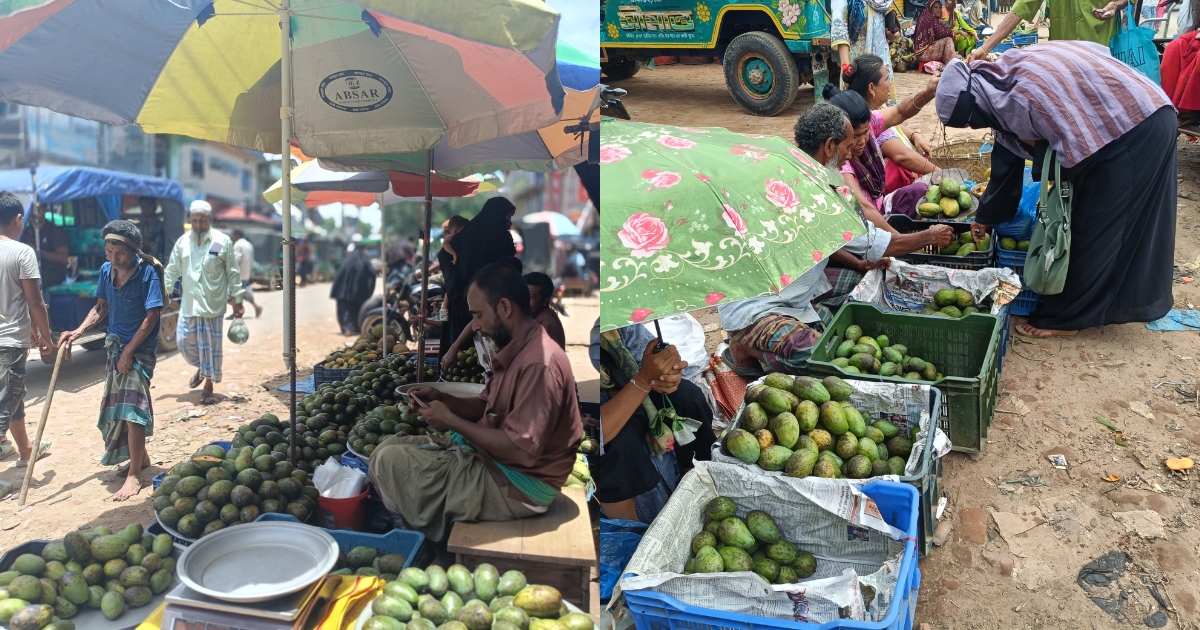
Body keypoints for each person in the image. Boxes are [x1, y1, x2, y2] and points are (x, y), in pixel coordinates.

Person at [935, 47, 1175, 337]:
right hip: (1139, 115)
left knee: (1092, 225)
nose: (975, 126)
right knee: (1102, 221)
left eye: (971, 120)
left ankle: (1068, 318)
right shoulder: (1000, 84)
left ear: (974, 103)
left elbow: (1071, 150)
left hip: (1134, 126)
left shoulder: (1024, 97)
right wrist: (986, 215)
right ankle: (1096, 304)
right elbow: (1006, 156)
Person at [722, 103, 954, 375]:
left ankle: (812, 317)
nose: (848, 155)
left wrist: (856, 264)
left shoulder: (789, 166)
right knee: (817, 358)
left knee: (862, 282)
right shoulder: (819, 193)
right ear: (830, 146)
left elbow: (824, 241)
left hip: (795, 288)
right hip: (755, 308)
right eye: (846, 147)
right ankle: (744, 348)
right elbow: (878, 244)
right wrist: (930, 236)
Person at [368, 263, 583, 542]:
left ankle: (422, 537)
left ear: (505, 308)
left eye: (478, 315)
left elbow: (522, 452)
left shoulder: (538, 363)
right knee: (385, 449)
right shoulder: (518, 348)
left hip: (519, 486)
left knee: (389, 461)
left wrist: (451, 421)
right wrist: (442, 398)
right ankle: (418, 524)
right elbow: (485, 405)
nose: (477, 326)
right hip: (499, 464)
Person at [60, 220, 163, 501]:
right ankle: (140, 458)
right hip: (115, 347)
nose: (114, 258)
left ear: (134, 250)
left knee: (132, 408)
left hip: (138, 351)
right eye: (109, 251)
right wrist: (78, 331)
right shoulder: (107, 271)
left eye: (120, 253)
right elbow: (101, 307)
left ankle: (134, 477)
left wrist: (129, 352)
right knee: (120, 406)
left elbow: (151, 316)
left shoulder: (148, 272)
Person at [594, 323, 716, 522]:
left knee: (687, 396)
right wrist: (642, 381)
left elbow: (646, 361)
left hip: (635, 397)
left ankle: (693, 482)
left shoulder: (612, 326)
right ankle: (636, 530)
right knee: (619, 447)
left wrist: (667, 372)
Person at [164, 200, 245, 405]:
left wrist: (237, 300)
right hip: (190, 303)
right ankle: (202, 367)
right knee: (184, 342)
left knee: (210, 346)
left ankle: (208, 386)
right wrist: (163, 292)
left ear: (210, 220)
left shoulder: (221, 241)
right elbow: (172, 269)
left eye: (202, 220)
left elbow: (233, 273)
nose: (198, 225)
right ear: (190, 220)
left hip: (213, 304)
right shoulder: (183, 242)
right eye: (194, 220)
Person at [825, 81, 938, 222]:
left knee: (920, 189)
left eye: (865, 133)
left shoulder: (870, 123)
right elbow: (863, 208)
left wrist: (928, 93)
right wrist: (899, 239)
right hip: (867, 221)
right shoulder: (842, 163)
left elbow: (900, 111)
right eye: (854, 136)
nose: (861, 141)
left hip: (881, 205)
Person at [0, 192, 52, 467]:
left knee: (12, 396)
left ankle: (26, 450)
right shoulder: (22, 252)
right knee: (5, 403)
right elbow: (34, 300)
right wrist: (45, 334)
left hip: (10, 338)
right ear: (18, 219)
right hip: (9, 341)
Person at [842, 55, 941, 194]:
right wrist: (943, 174)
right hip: (882, 189)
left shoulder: (875, 109)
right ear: (871, 88)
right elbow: (903, 156)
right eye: (887, 79)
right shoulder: (866, 120)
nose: (890, 84)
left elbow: (898, 116)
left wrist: (914, 135)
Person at [439, 199, 517, 364]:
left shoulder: (467, 234)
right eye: (508, 216)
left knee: (463, 358)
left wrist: (455, 287)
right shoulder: (502, 238)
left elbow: (444, 255)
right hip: (490, 303)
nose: (509, 220)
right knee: (482, 357)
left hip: (462, 303)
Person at [970, 0, 1125, 60]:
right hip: (1066, 58)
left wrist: (1116, 5)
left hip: (1103, 52)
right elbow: (1020, 8)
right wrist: (985, 48)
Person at [831, 0, 897, 103]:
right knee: (857, 108)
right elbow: (840, 31)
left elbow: (883, 24)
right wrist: (847, 70)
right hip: (858, 66)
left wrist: (893, 34)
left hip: (881, 62)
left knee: (883, 111)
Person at [330, 233, 377, 335]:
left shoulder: (348, 260)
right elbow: (372, 274)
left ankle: (347, 328)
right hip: (358, 292)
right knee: (357, 309)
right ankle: (355, 327)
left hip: (343, 291)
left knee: (345, 310)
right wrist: (368, 292)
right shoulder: (364, 261)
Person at [19, 205, 69, 288]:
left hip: (52, 272)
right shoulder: (25, 232)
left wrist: (37, 251)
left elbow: (63, 259)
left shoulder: (55, 231)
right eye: (30, 211)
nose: (33, 213)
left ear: (45, 209)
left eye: (37, 210)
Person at [524, 272, 565, 350]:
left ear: (545, 301)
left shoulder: (547, 325)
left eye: (531, 297)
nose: (525, 301)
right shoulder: (533, 317)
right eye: (523, 295)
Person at [914, 0, 960, 65]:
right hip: (923, 53)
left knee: (948, 40)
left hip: (927, 50)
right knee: (948, 40)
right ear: (930, 8)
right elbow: (940, 32)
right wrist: (957, 32)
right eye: (935, 7)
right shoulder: (929, 18)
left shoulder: (933, 18)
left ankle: (950, 64)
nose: (938, 10)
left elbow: (949, 25)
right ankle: (951, 66)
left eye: (940, 7)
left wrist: (951, 9)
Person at [230, 229, 262, 319]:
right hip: (246, 273)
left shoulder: (237, 245)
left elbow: (237, 259)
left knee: (232, 294)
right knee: (245, 292)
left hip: (238, 274)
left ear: (237, 235)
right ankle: (256, 307)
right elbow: (251, 260)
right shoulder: (249, 245)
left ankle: (236, 312)